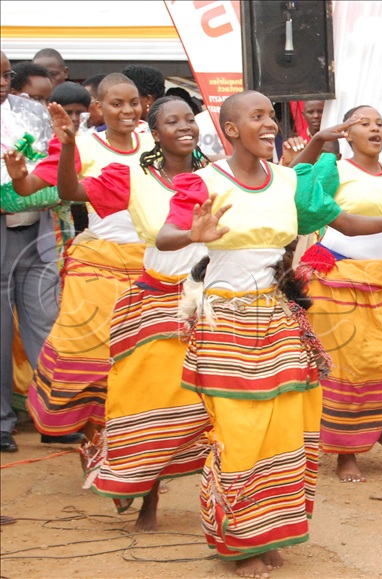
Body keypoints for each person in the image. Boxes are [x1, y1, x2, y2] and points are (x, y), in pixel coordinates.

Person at [157, 89, 382, 576]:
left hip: (277, 320)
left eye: (271, 116)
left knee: (284, 431)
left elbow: (340, 219)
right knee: (241, 432)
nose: (268, 124)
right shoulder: (205, 181)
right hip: (225, 321)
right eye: (255, 117)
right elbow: (164, 235)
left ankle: (268, 531)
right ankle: (237, 538)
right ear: (231, 129)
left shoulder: (287, 181)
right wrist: (193, 235)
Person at [50, 96, 212, 531]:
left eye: (188, 120)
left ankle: (223, 501)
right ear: (152, 131)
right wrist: (69, 146)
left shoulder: (217, 175)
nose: (184, 127)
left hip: (210, 300)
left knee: (216, 404)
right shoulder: (136, 176)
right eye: (171, 121)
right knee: (149, 401)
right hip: (156, 302)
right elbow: (71, 193)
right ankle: (148, 499)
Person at [8, 73, 152, 446]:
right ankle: (93, 436)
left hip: (150, 263)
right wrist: (17, 173)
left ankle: (127, 444)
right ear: (98, 108)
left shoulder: (153, 140)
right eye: (116, 104)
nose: (127, 110)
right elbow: (29, 188)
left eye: (132, 102)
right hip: (98, 263)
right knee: (90, 355)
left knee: (138, 358)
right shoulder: (82, 144)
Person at [297, 105, 382, 483]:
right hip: (335, 275)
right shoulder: (334, 168)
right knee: (349, 369)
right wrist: (316, 144)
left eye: (379, 122)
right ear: (348, 133)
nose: (375, 128)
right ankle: (346, 452)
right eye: (364, 123)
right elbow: (301, 196)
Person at [0, 50, 61, 453]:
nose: (2, 82)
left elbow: (51, 154)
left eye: (5, 75)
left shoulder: (30, 112)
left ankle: (54, 417)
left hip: (36, 226)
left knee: (47, 323)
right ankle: (2, 422)